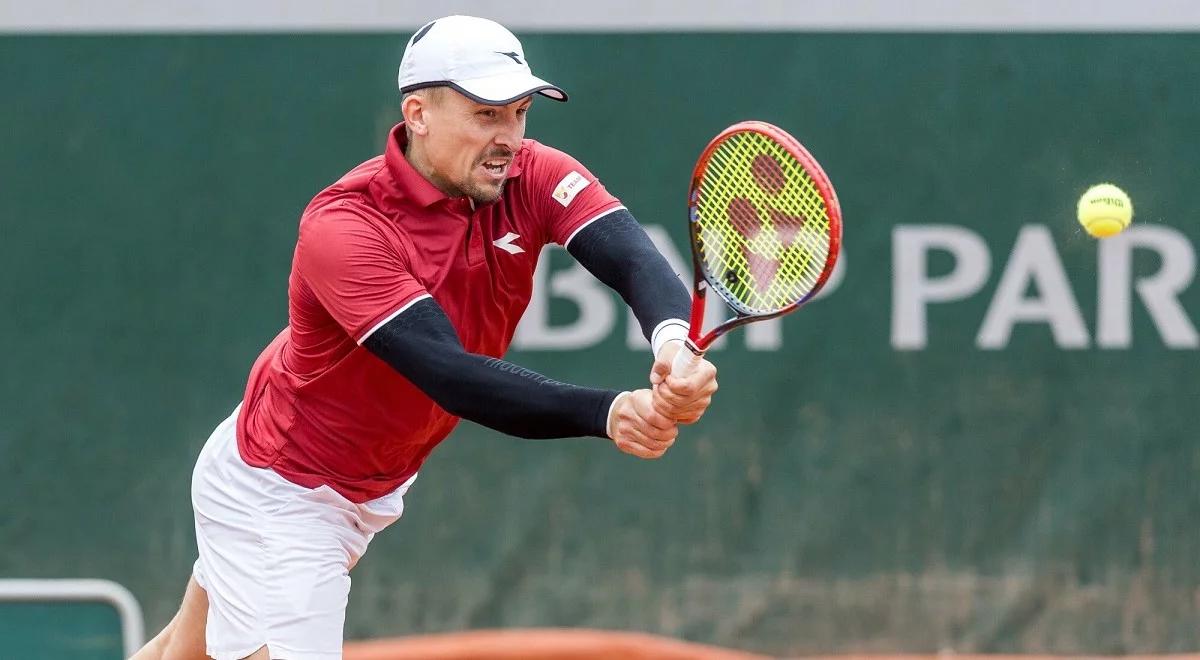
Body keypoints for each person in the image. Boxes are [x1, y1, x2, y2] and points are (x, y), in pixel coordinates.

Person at [132, 15, 717, 660]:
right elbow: (451, 375)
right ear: (418, 113)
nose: (508, 138)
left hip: (360, 479)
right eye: (486, 114)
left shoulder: (533, 174)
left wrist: (671, 345)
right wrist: (606, 413)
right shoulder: (346, 227)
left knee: (178, 656)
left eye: (519, 112)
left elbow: (630, 253)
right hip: (284, 489)